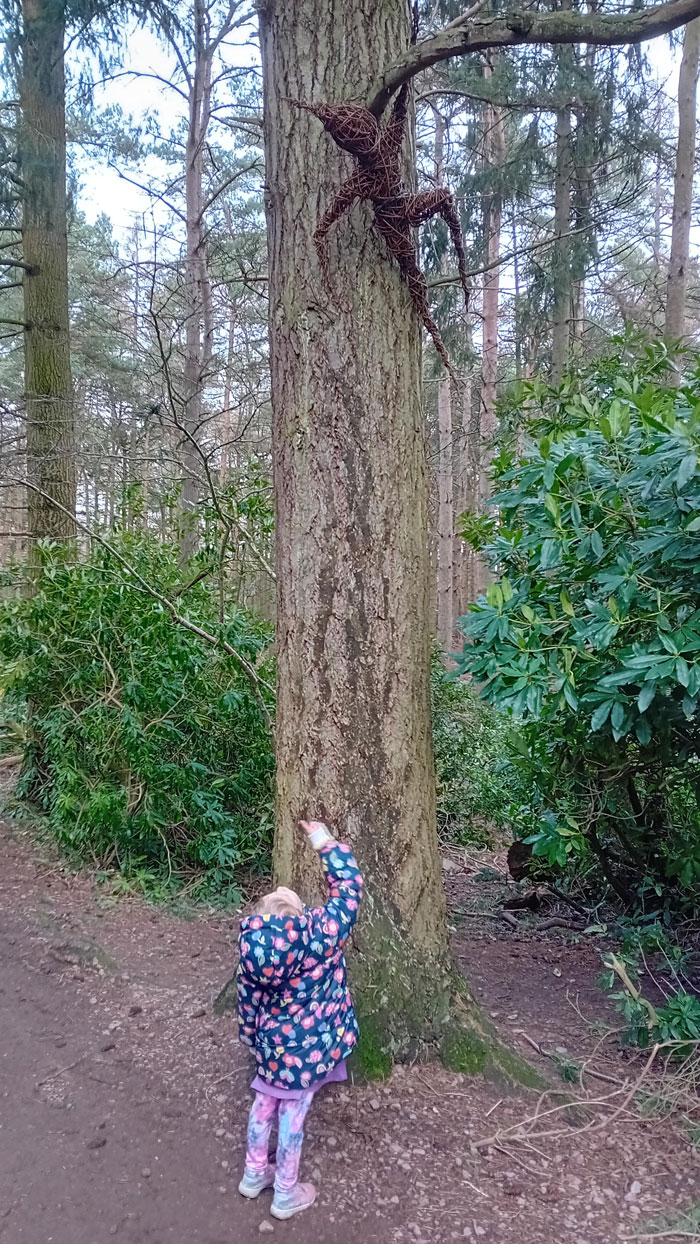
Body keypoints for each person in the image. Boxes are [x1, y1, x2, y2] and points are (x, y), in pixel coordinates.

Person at [236, 818, 363, 1220]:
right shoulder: (319, 932)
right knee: (293, 1116)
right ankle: (285, 1193)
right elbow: (348, 890)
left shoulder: (254, 952)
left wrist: (252, 1039)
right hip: (309, 1052)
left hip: (272, 1049)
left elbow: (246, 1004)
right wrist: (323, 841)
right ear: (298, 915)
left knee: (263, 1105)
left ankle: (254, 1174)